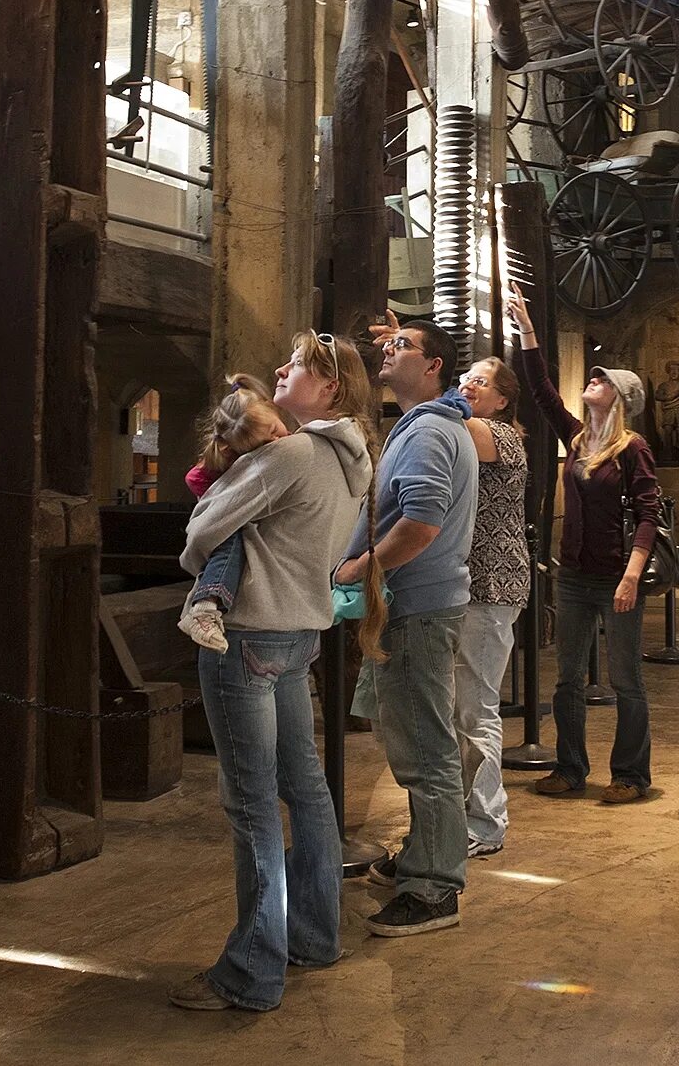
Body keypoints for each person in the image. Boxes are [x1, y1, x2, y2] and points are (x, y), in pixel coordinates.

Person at [168, 333, 376, 1012]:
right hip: (300, 637)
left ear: (329, 389)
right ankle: (314, 937)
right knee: (308, 792)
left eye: (298, 367)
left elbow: (202, 528)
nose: (281, 372)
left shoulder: (290, 455)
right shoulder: (355, 461)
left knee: (253, 804)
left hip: (250, 634)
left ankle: (250, 973)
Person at [337, 317, 477, 938]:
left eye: (403, 347)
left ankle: (434, 889)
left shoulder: (427, 432)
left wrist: (358, 571)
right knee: (420, 740)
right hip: (413, 606)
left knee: (426, 750)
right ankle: (424, 858)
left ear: (434, 366)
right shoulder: (428, 424)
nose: (386, 352)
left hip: (416, 607)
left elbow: (420, 523)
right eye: (387, 345)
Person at [505, 284, 662, 804]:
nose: (591, 380)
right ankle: (572, 767)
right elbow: (542, 390)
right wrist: (527, 329)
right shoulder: (576, 438)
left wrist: (632, 575)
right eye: (593, 376)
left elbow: (647, 512)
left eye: (601, 379)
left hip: (618, 577)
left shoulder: (631, 447)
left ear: (619, 397)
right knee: (567, 679)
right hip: (573, 576)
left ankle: (631, 775)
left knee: (625, 681)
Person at [453, 355, 530, 858]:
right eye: (464, 378)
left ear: (502, 399)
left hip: (491, 586)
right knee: (463, 707)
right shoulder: (472, 429)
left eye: (478, 381)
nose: (466, 386)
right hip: (469, 586)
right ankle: (465, 815)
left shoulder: (497, 434)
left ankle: (485, 823)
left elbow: (452, 419)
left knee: (477, 707)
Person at [177, 376, 293, 655]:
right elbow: (206, 496)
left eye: (276, 430)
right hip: (223, 519)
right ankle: (206, 606)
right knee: (230, 542)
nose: (279, 441)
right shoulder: (220, 463)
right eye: (265, 444)